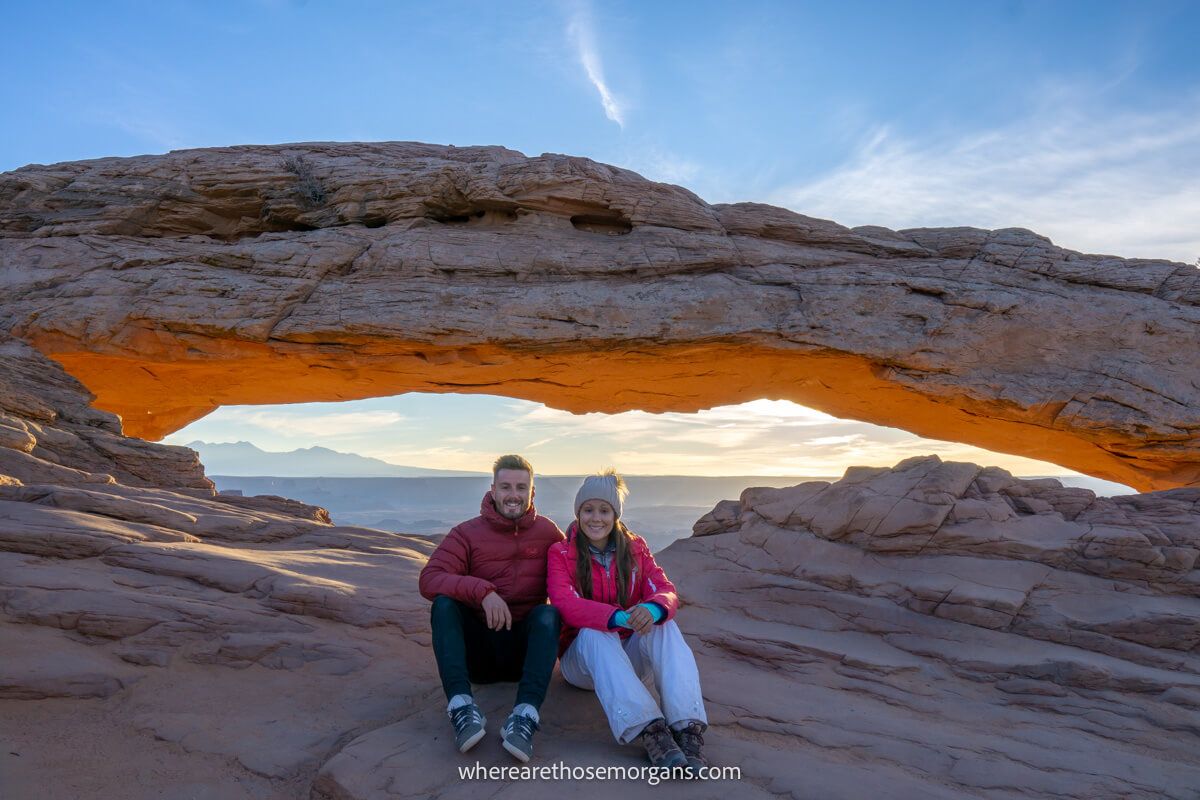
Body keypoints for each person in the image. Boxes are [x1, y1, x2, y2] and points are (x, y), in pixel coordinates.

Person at [546, 469, 710, 773]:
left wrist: (655, 609)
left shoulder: (636, 548)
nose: (596, 518)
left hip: (629, 658)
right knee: (596, 633)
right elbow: (566, 604)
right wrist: (616, 616)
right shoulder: (562, 553)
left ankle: (686, 728)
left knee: (664, 626)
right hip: (581, 664)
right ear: (578, 513)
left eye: (604, 510)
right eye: (588, 510)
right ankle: (652, 731)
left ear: (616, 514)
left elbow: (666, 591)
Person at [418, 454, 564, 763]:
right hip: (479, 657)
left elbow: (575, 580)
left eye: (521, 487)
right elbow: (430, 579)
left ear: (532, 492)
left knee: (549, 614)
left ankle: (525, 716)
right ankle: (461, 707)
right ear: (493, 490)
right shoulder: (466, 534)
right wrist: (483, 591)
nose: (514, 495)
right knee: (444, 605)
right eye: (506, 486)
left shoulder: (549, 534)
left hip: (523, 656)